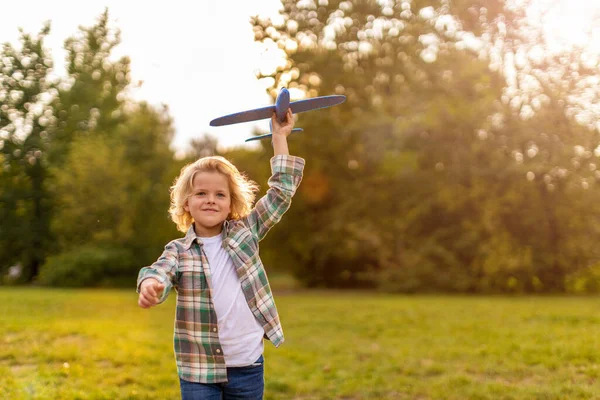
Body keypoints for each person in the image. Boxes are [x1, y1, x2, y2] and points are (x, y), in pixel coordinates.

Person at [136, 108, 304, 400]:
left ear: (231, 203)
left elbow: (280, 192)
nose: (210, 200)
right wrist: (151, 285)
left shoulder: (246, 232)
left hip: (247, 365)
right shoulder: (179, 250)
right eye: (201, 193)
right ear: (187, 203)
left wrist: (279, 136)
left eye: (220, 195)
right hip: (199, 371)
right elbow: (158, 270)